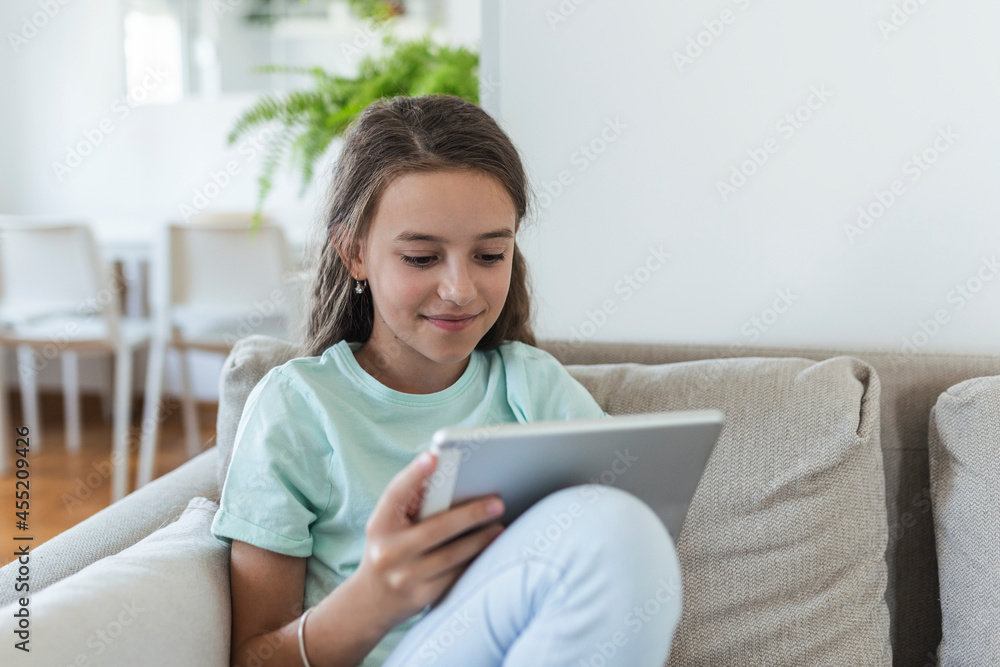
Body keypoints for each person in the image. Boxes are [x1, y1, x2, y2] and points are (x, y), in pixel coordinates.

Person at [210, 94, 682, 667]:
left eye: (489, 255)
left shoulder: (534, 389)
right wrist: (377, 597)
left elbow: (623, 561)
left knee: (622, 528)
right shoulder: (298, 408)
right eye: (420, 257)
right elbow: (254, 657)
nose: (460, 288)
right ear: (353, 251)